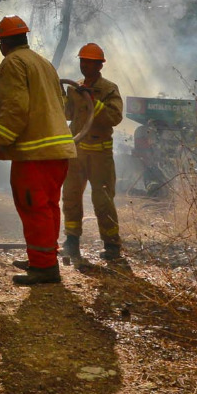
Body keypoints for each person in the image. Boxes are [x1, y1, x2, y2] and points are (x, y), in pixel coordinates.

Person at [0, 15, 75, 286]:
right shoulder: (43, 63)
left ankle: (44, 267)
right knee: (48, 206)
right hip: (58, 151)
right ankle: (44, 257)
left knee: (33, 207)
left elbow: (15, 107)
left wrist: (1, 141)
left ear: (3, 43)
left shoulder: (13, 63)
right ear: (24, 38)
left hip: (34, 154)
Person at [62, 42, 125, 263]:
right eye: (82, 61)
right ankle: (71, 241)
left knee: (103, 200)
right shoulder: (75, 88)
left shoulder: (109, 89)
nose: (85, 65)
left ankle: (111, 245)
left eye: (90, 62)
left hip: (100, 156)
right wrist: (61, 97)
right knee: (70, 196)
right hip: (76, 154)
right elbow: (67, 114)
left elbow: (115, 117)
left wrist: (94, 102)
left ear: (100, 65)